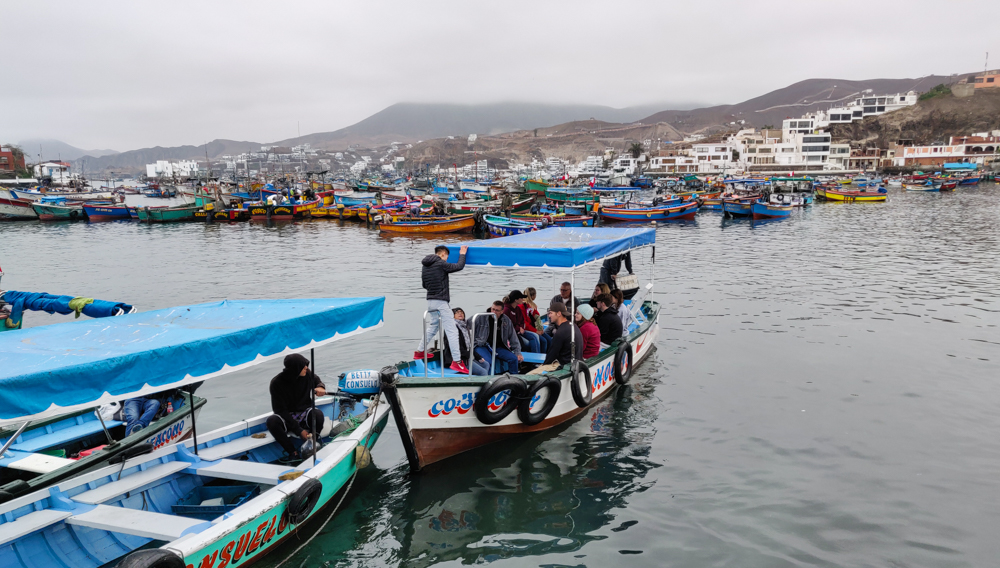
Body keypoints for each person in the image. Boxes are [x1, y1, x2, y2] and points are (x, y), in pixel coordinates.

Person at [415, 245, 470, 373]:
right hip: (441, 301)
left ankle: (419, 351)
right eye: (447, 257)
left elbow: (424, 284)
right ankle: (457, 362)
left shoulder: (425, 265)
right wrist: (462, 254)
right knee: (452, 331)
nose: (446, 260)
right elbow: (458, 266)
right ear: (443, 254)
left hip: (430, 301)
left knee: (433, 327)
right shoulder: (440, 263)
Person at [266, 354, 326, 461]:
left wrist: (320, 386)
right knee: (272, 421)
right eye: (303, 366)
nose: (306, 368)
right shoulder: (276, 383)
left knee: (318, 415)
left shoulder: (307, 374)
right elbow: (280, 410)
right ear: (295, 368)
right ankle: (292, 452)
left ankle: (312, 444)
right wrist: (298, 430)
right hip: (287, 415)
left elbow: (316, 379)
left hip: (304, 412)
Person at [529, 300, 583, 375]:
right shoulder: (572, 325)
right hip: (576, 362)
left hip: (565, 366)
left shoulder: (561, 332)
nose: (549, 315)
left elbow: (551, 355)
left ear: (559, 314)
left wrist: (543, 366)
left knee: (530, 374)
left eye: (551, 313)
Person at [474, 301, 523, 374]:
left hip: (498, 347)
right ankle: (490, 380)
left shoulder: (506, 320)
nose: (494, 312)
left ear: (502, 311)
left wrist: (517, 352)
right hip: (482, 345)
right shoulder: (481, 317)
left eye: (497, 310)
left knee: (513, 359)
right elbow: (467, 324)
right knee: (488, 361)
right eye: (492, 309)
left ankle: (514, 379)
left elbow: (513, 338)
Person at [446, 308, 489, 375]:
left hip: (467, 357)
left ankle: (480, 380)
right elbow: (458, 348)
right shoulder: (452, 328)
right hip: (459, 359)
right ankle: (482, 382)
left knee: (486, 364)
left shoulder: (465, 327)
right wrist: (470, 356)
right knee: (483, 372)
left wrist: (477, 356)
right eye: (457, 312)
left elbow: (468, 346)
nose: (460, 313)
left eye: (462, 312)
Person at [519, 287, 549, 353]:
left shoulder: (532, 306)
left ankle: (549, 356)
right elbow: (525, 322)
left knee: (549, 339)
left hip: (534, 327)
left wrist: (540, 329)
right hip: (528, 329)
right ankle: (539, 358)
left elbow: (537, 318)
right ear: (533, 296)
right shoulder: (522, 306)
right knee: (543, 341)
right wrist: (535, 331)